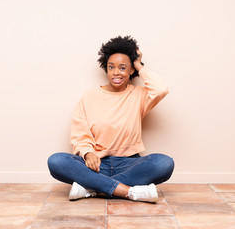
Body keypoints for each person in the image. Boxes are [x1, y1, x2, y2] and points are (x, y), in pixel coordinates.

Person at [47, 36, 174, 203]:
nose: (116, 72)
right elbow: (80, 132)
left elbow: (160, 89)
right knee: (56, 161)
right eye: (111, 67)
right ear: (105, 68)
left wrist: (139, 64)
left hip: (130, 164)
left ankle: (93, 188)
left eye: (123, 68)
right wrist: (88, 153)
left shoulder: (138, 95)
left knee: (164, 163)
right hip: (95, 165)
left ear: (131, 71)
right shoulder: (89, 96)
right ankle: (128, 191)